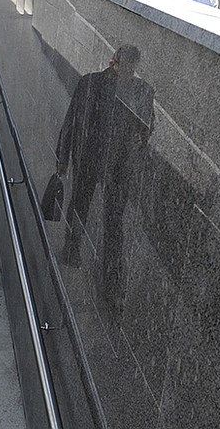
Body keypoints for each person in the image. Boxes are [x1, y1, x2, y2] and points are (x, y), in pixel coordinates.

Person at [55, 46, 154, 317]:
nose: (129, 72)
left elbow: (148, 127)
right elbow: (72, 120)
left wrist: (141, 137)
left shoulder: (143, 91)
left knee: (114, 221)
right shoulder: (90, 83)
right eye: (125, 66)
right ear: (115, 62)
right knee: (80, 203)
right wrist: (63, 156)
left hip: (119, 167)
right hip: (89, 156)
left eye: (133, 68)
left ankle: (111, 275)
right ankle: (72, 248)